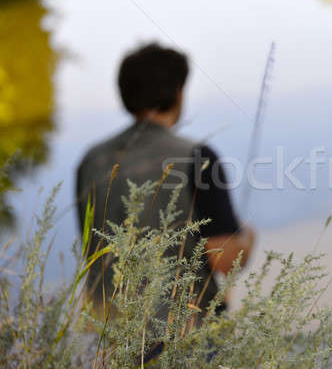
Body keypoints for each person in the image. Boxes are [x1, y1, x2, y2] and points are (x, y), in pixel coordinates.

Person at [75, 42, 255, 319]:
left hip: (107, 334)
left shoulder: (91, 161)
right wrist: (247, 237)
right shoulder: (197, 156)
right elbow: (224, 260)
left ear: (125, 94)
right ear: (178, 92)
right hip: (182, 335)